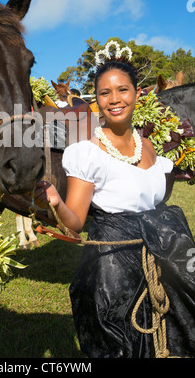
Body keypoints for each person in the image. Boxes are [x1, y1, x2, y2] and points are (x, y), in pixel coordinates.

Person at [34, 45, 195, 358]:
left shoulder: (151, 146)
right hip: (114, 271)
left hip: (163, 259)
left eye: (122, 90)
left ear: (137, 94)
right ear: (97, 100)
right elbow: (77, 223)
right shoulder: (87, 154)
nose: (114, 99)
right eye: (105, 93)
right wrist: (55, 201)